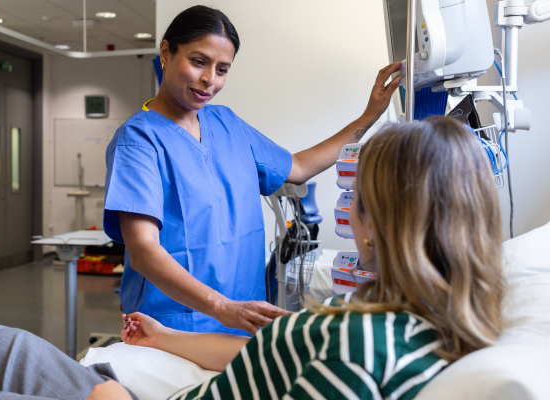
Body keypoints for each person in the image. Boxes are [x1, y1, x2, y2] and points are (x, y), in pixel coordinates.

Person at [0, 117, 504, 400]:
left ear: (389, 220)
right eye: (200, 61)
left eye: (358, 201)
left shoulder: (368, 345)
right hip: (184, 341)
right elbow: (141, 243)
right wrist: (172, 335)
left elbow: (295, 166)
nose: (347, 214)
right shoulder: (384, 314)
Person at [118, 117, 506, 399]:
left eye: (355, 197)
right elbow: (275, 354)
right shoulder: (404, 314)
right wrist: (163, 337)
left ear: (374, 226)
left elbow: (297, 167)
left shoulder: (357, 350)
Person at [103, 5, 403, 336]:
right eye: (198, 61)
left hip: (243, 319)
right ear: (166, 52)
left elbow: (299, 167)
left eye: (222, 69)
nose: (210, 80)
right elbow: (144, 251)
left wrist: (369, 116)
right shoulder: (138, 141)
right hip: (173, 327)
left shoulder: (227, 124)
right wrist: (221, 307)